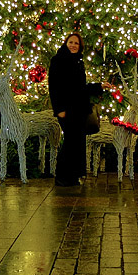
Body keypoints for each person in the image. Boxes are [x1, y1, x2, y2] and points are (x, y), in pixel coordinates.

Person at [48, 33, 103, 187]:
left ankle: (72, 176)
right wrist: (59, 109)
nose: (73, 45)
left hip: (79, 110)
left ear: (80, 46)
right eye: (71, 42)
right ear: (66, 43)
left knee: (77, 143)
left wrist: (99, 86)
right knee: (70, 143)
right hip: (66, 110)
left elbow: (80, 89)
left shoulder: (78, 61)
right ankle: (62, 177)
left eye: (76, 43)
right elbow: (54, 87)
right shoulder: (58, 60)